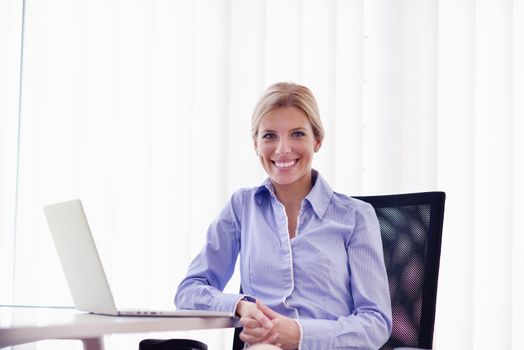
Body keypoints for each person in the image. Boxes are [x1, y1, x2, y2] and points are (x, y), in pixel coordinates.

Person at [175, 82, 392, 349]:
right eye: (269, 136)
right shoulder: (242, 207)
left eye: (297, 134)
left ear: (318, 140)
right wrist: (241, 304)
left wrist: (299, 335)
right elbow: (189, 291)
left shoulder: (355, 217)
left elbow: (376, 323)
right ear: (255, 144)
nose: (282, 149)